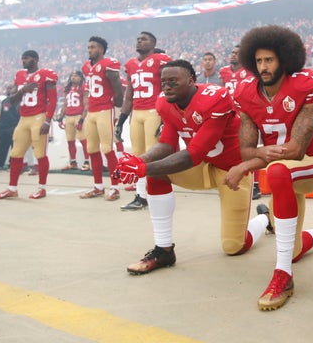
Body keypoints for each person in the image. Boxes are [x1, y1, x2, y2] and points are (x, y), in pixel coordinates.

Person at [112, 60, 270, 273]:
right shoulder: (166, 103)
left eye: (173, 81)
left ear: (191, 80)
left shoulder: (215, 98)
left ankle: (263, 218)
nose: (167, 86)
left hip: (232, 171)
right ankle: (164, 249)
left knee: (234, 247)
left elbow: (193, 154)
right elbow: (167, 144)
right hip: (204, 166)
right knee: (158, 174)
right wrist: (141, 161)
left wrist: (142, 169)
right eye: (164, 81)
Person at [227, 25, 313, 311]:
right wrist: (252, 156)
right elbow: (245, 148)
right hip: (282, 172)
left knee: (279, 169)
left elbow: (295, 150)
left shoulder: (306, 84)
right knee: (292, 249)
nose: (264, 67)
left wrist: (246, 165)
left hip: (311, 165)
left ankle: (283, 276)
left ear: (284, 59)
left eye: (270, 60)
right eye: (258, 61)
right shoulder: (245, 93)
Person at [0, 50, 58, 200]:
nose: (23, 61)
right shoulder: (20, 75)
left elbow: (53, 100)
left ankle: (42, 188)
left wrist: (47, 120)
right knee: (15, 154)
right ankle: (12, 188)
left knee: (40, 153)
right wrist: (22, 90)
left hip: (39, 117)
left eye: (26, 58)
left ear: (35, 59)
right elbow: (11, 100)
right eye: (22, 58)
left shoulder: (45, 74)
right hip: (23, 118)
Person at [116, 32, 171, 211]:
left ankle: (157, 193)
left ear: (154, 44)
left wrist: (165, 117)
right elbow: (128, 96)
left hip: (154, 111)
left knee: (152, 154)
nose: (139, 40)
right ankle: (141, 196)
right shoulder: (131, 64)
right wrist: (121, 121)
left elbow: (168, 88)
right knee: (137, 155)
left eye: (144, 39)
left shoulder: (160, 60)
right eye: (138, 38)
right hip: (137, 113)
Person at [79, 36, 124, 201]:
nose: (90, 50)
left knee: (108, 149)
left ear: (102, 49)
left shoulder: (108, 64)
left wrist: (117, 112)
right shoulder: (86, 67)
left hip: (106, 110)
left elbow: (119, 91)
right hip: (92, 111)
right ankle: (98, 186)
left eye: (94, 47)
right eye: (89, 47)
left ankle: (115, 187)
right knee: (92, 149)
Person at [218, 44, 261, 200]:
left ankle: (255, 185)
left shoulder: (250, 71)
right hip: (229, 116)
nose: (233, 55)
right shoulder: (223, 71)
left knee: (250, 149)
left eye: (238, 53)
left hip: (246, 114)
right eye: (232, 52)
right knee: (231, 150)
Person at [57, 70, 90, 171]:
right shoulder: (68, 89)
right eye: (72, 75)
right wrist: (60, 117)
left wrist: (81, 120)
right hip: (69, 117)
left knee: (83, 140)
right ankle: (73, 162)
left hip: (78, 116)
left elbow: (86, 105)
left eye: (76, 76)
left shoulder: (84, 87)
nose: (73, 77)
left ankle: (87, 162)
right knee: (70, 141)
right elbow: (65, 104)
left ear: (80, 77)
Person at [0, 84, 21, 171]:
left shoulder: (20, 100)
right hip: (3, 127)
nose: (9, 89)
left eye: (11, 88)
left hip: (14, 127)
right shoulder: (4, 100)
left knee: (14, 147)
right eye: (8, 88)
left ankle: (12, 164)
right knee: (2, 147)